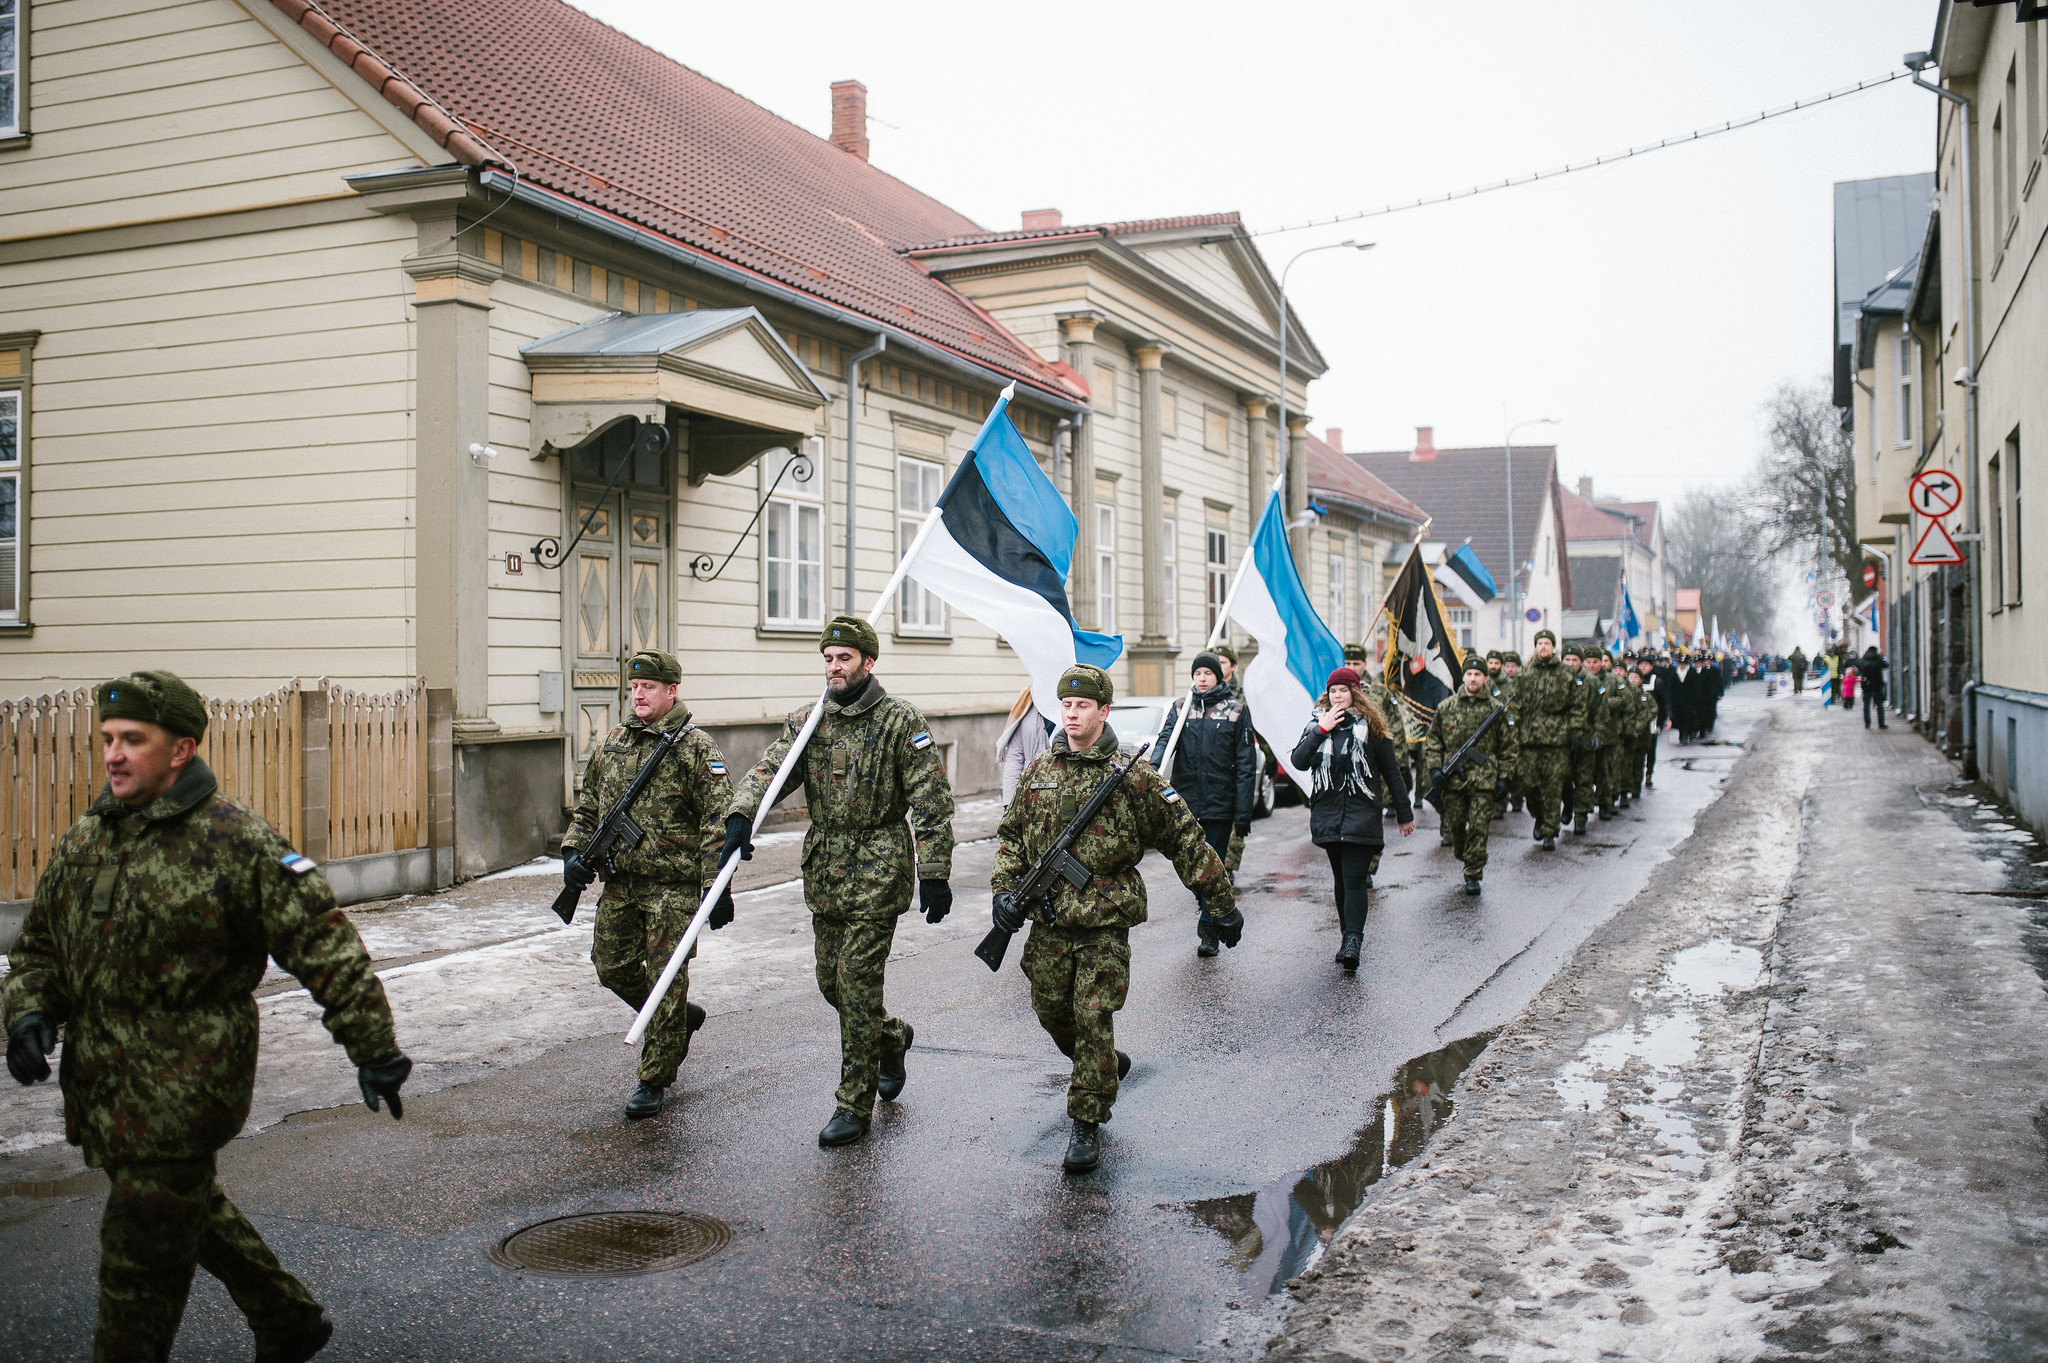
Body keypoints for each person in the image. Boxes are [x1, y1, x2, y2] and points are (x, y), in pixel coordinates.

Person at [5, 670, 407, 1363]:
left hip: (186, 1089)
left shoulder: (237, 840)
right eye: (107, 739)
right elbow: (39, 947)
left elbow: (323, 941)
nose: (114, 754)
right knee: (188, 1208)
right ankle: (286, 1316)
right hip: (103, 1086)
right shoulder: (88, 839)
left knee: (136, 1277)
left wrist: (371, 1045)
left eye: (134, 739)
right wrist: (29, 1010)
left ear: (182, 748)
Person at [991, 664, 1240, 1172]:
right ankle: (1104, 1063)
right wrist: (1002, 891)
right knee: (1050, 1009)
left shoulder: (1133, 777)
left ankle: (1086, 1121)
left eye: (1082, 706)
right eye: (1066, 705)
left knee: (1092, 1014)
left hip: (1104, 921)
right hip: (1050, 923)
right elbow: (1013, 836)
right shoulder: (1040, 771)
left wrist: (1221, 904)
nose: (1072, 713)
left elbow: (1186, 841)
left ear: (1104, 712)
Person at [724, 615, 955, 1147]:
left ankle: (854, 1103)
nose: (834, 667)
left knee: (855, 984)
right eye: (828, 658)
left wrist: (935, 871)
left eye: (844, 659)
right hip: (826, 867)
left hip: (878, 865)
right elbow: (771, 770)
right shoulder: (810, 720)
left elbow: (931, 803)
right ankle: (891, 1038)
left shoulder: (900, 720)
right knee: (832, 983)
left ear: (867, 663)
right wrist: (742, 813)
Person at [561, 649, 733, 1120]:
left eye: (649, 688)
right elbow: (590, 805)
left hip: (673, 888)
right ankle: (678, 1020)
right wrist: (574, 854)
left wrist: (718, 886)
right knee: (611, 967)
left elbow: (719, 823)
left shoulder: (697, 748)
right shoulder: (614, 741)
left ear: (671, 691)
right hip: (620, 883)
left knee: (666, 979)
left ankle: (654, 1077)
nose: (638, 694)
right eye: (634, 687)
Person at [1290, 666, 1416, 970]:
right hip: (1328, 813)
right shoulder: (1316, 724)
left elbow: (1392, 772)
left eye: (1343, 690)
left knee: (1354, 878)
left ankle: (1352, 941)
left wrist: (1404, 812)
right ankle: (1347, 935)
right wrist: (1321, 730)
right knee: (1340, 880)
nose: (1337, 696)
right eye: (1333, 691)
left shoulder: (1372, 726)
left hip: (1362, 812)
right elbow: (1298, 761)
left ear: (1355, 692)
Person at [1149, 651, 1257, 958]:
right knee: (1192, 868)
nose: (1202, 678)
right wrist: (1150, 771)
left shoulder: (1235, 710)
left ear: (1218, 676)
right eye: (1197, 674)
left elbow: (1246, 762)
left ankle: (1208, 930)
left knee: (1215, 866)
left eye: (1208, 674)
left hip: (1221, 803)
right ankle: (1212, 909)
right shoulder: (1182, 708)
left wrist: (1244, 809)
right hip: (1188, 803)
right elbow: (1165, 741)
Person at [1422, 657, 1518, 895]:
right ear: (1463, 677)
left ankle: (1473, 873)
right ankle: (1464, 854)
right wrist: (1435, 769)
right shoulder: (1447, 707)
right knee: (1455, 825)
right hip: (1452, 781)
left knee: (1478, 826)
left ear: (1485, 678)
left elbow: (1509, 747)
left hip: (1484, 779)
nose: (1473, 679)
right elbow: (1433, 742)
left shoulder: (1495, 709)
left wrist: (1505, 778)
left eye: (1478, 674)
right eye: (1469, 674)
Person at [1509, 630, 1580, 850]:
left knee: (1553, 787)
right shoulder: (1524, 674)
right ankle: (1539, 816)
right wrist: (1513, 732)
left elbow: (1577, 706)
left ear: (1553, 647)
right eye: (1539, 643)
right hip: (1529, 741)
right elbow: (1514, 706)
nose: (1543, 647)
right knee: (1528, 785)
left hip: (1557, 741)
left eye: (1547, 643)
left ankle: (1550, 831)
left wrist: (1576, 732)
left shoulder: (1566, 674)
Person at [1214, 643, 1256, 878]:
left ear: (1233, 667)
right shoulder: (1197, 694)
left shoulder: (1242, 696)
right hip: (1212, 768)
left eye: (1222, 662)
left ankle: (1228, 866)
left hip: (1235, 765)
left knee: (1234, 821)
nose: (1218, 668)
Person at [996, 684, 1055, 806]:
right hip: (1029, 792)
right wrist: (1010, 802)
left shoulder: (1067, 707)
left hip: (1059, 793)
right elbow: (1014, 757)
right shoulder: (1025, 704)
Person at [1562, 644, 1598, 835]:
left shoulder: (1591, 682)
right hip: (1563, 740)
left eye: (1574, 660)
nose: (1570, 664)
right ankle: (1568, 805)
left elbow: (1601, 711)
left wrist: (1597, 735)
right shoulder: (1558, 680)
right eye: (1567, 660)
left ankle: (1581, 817)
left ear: (1581, 662)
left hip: (1586, 738)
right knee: (1564, 779)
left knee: (1583, 780)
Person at [1860, 645, 1890, 729]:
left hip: (1866, 684)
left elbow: (1859, 667)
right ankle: (1881, 723)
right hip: (1877, 684)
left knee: (1866, 705)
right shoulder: (1878, 658)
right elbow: (1886, 665)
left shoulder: (1864, 658)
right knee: (1879, 704)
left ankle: (1867, 723)